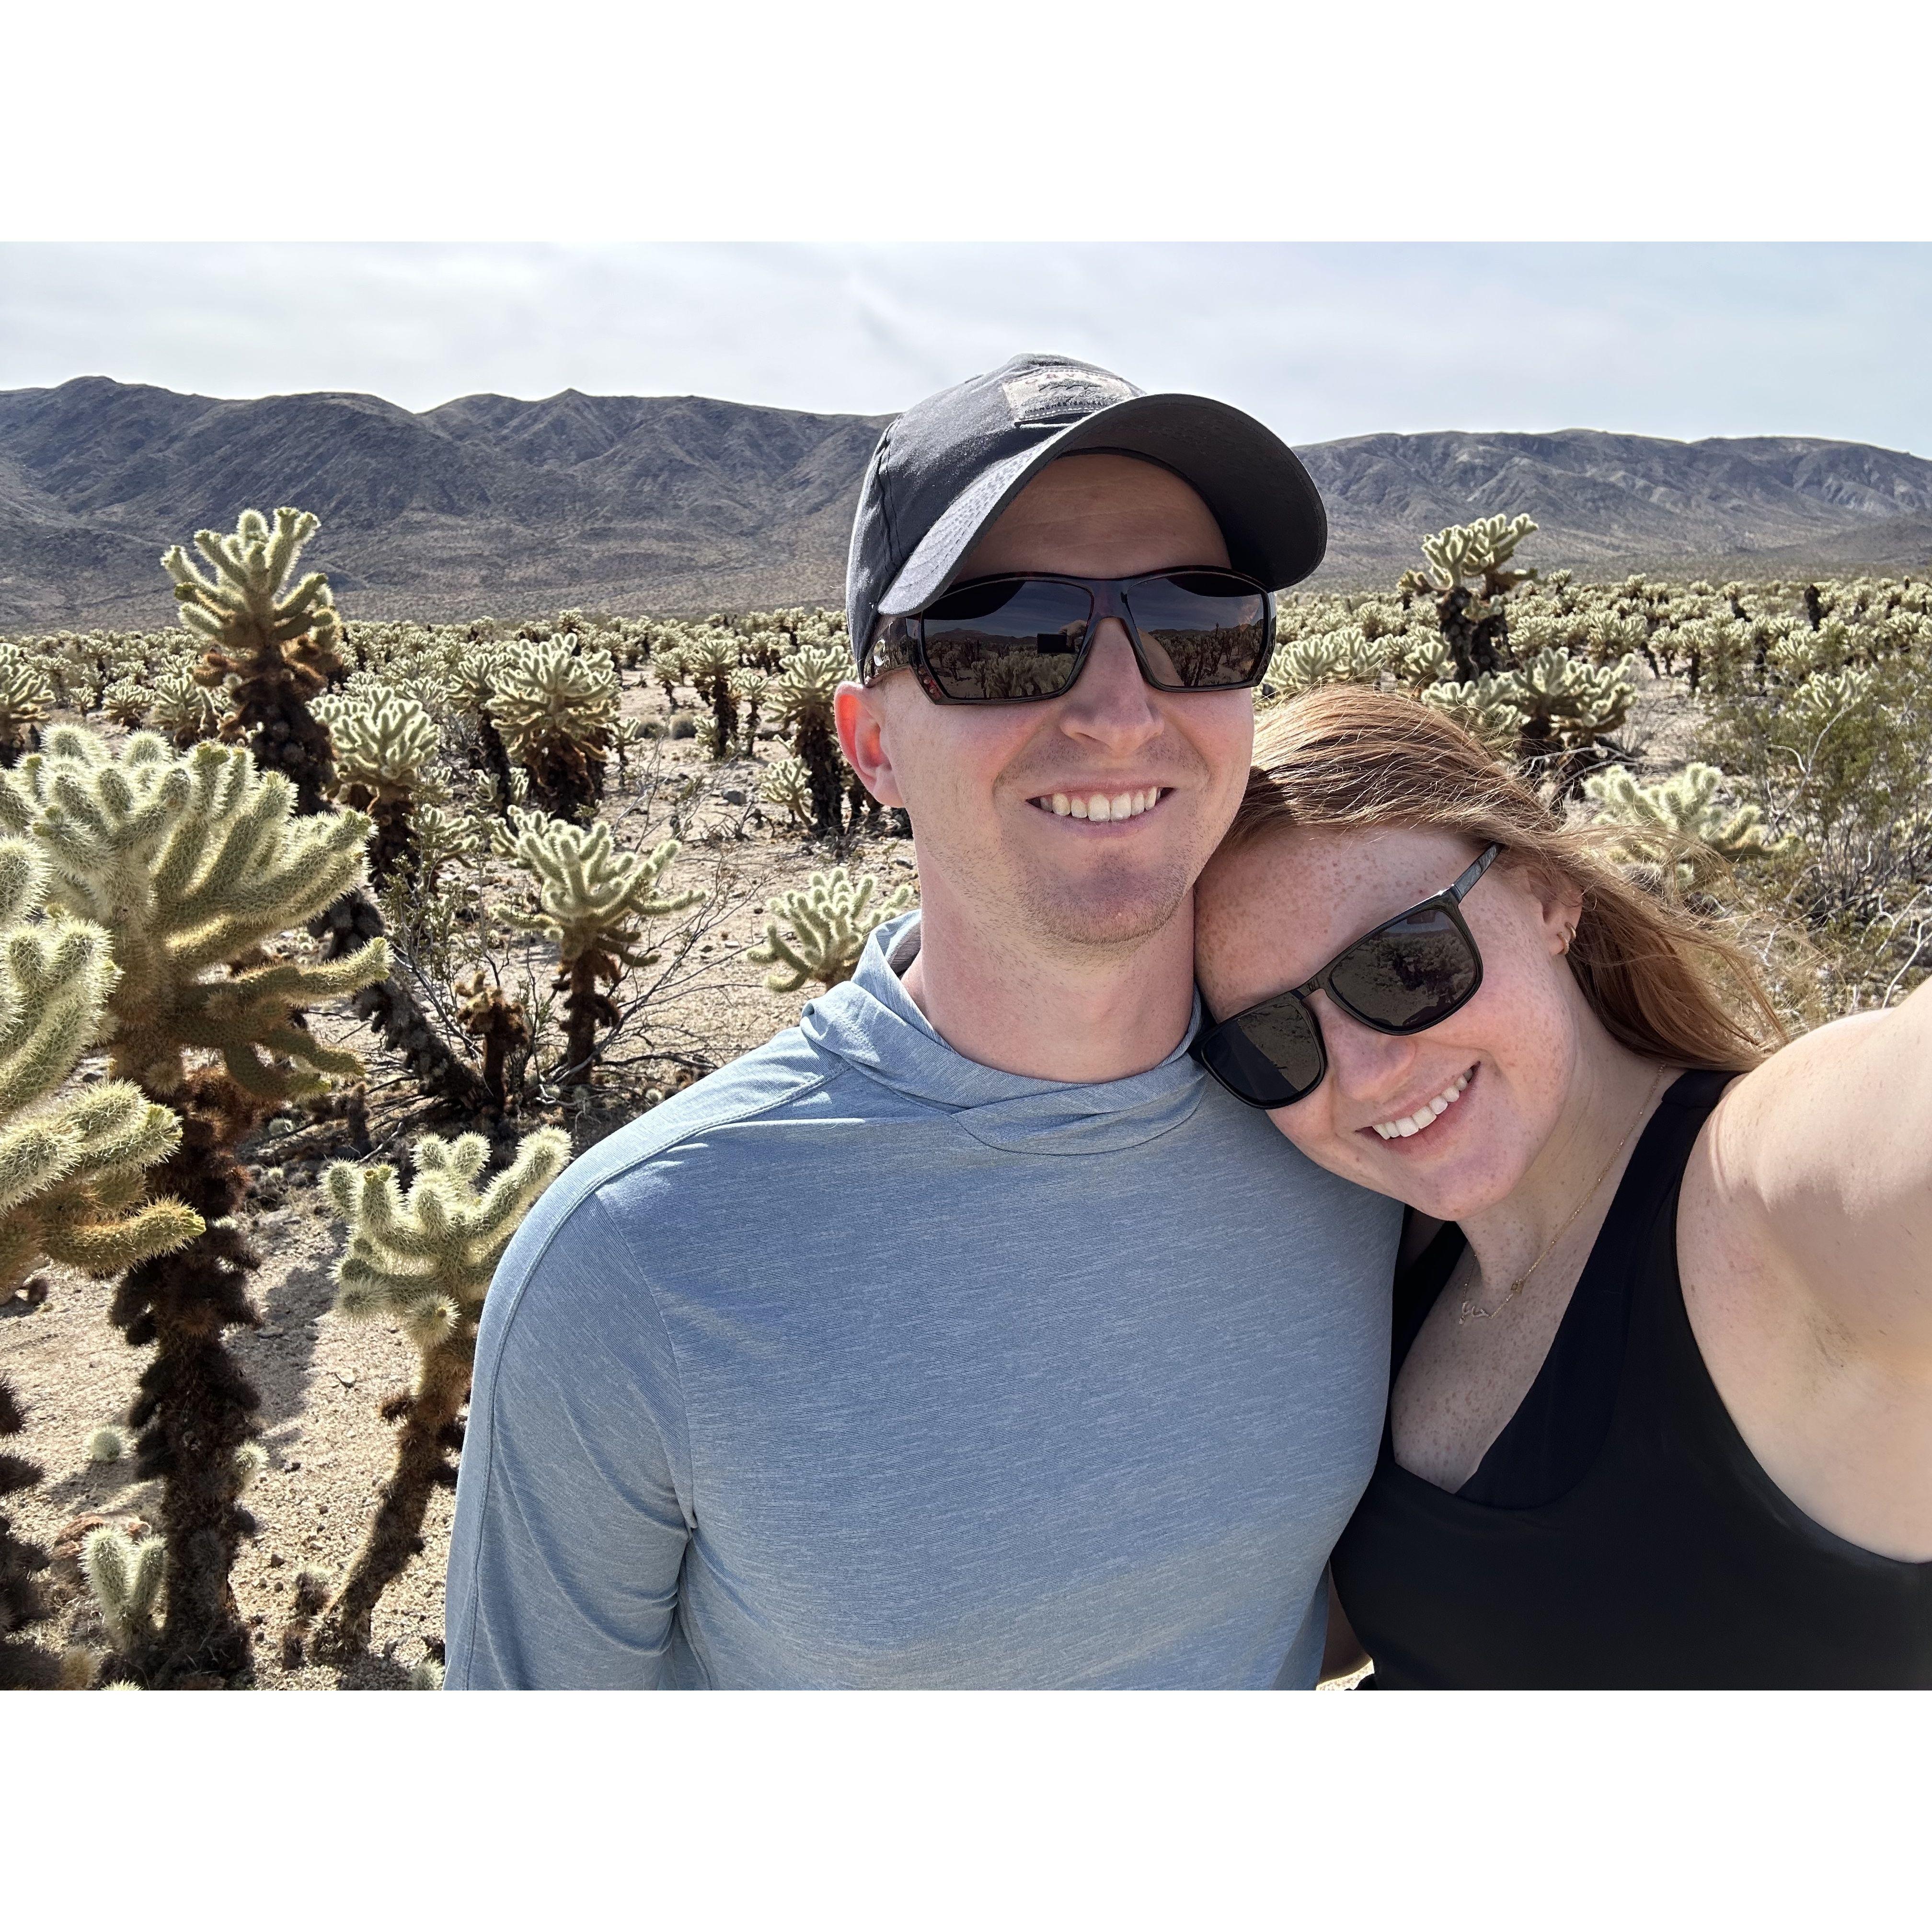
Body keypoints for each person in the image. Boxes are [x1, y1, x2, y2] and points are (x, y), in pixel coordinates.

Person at [443, 354, 1402, 1688]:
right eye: (1005, 642)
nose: (1122, 714)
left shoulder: (1371, 1128)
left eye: (1200, 624)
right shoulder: (637, 1265)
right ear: (871, 743)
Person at [1192, 684, 1932, 1689]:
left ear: (1546, 896)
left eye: (1405, 965)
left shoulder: (1760, 1208)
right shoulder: (1399, 1260)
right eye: (1275, 1039)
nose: (1365, 1075)